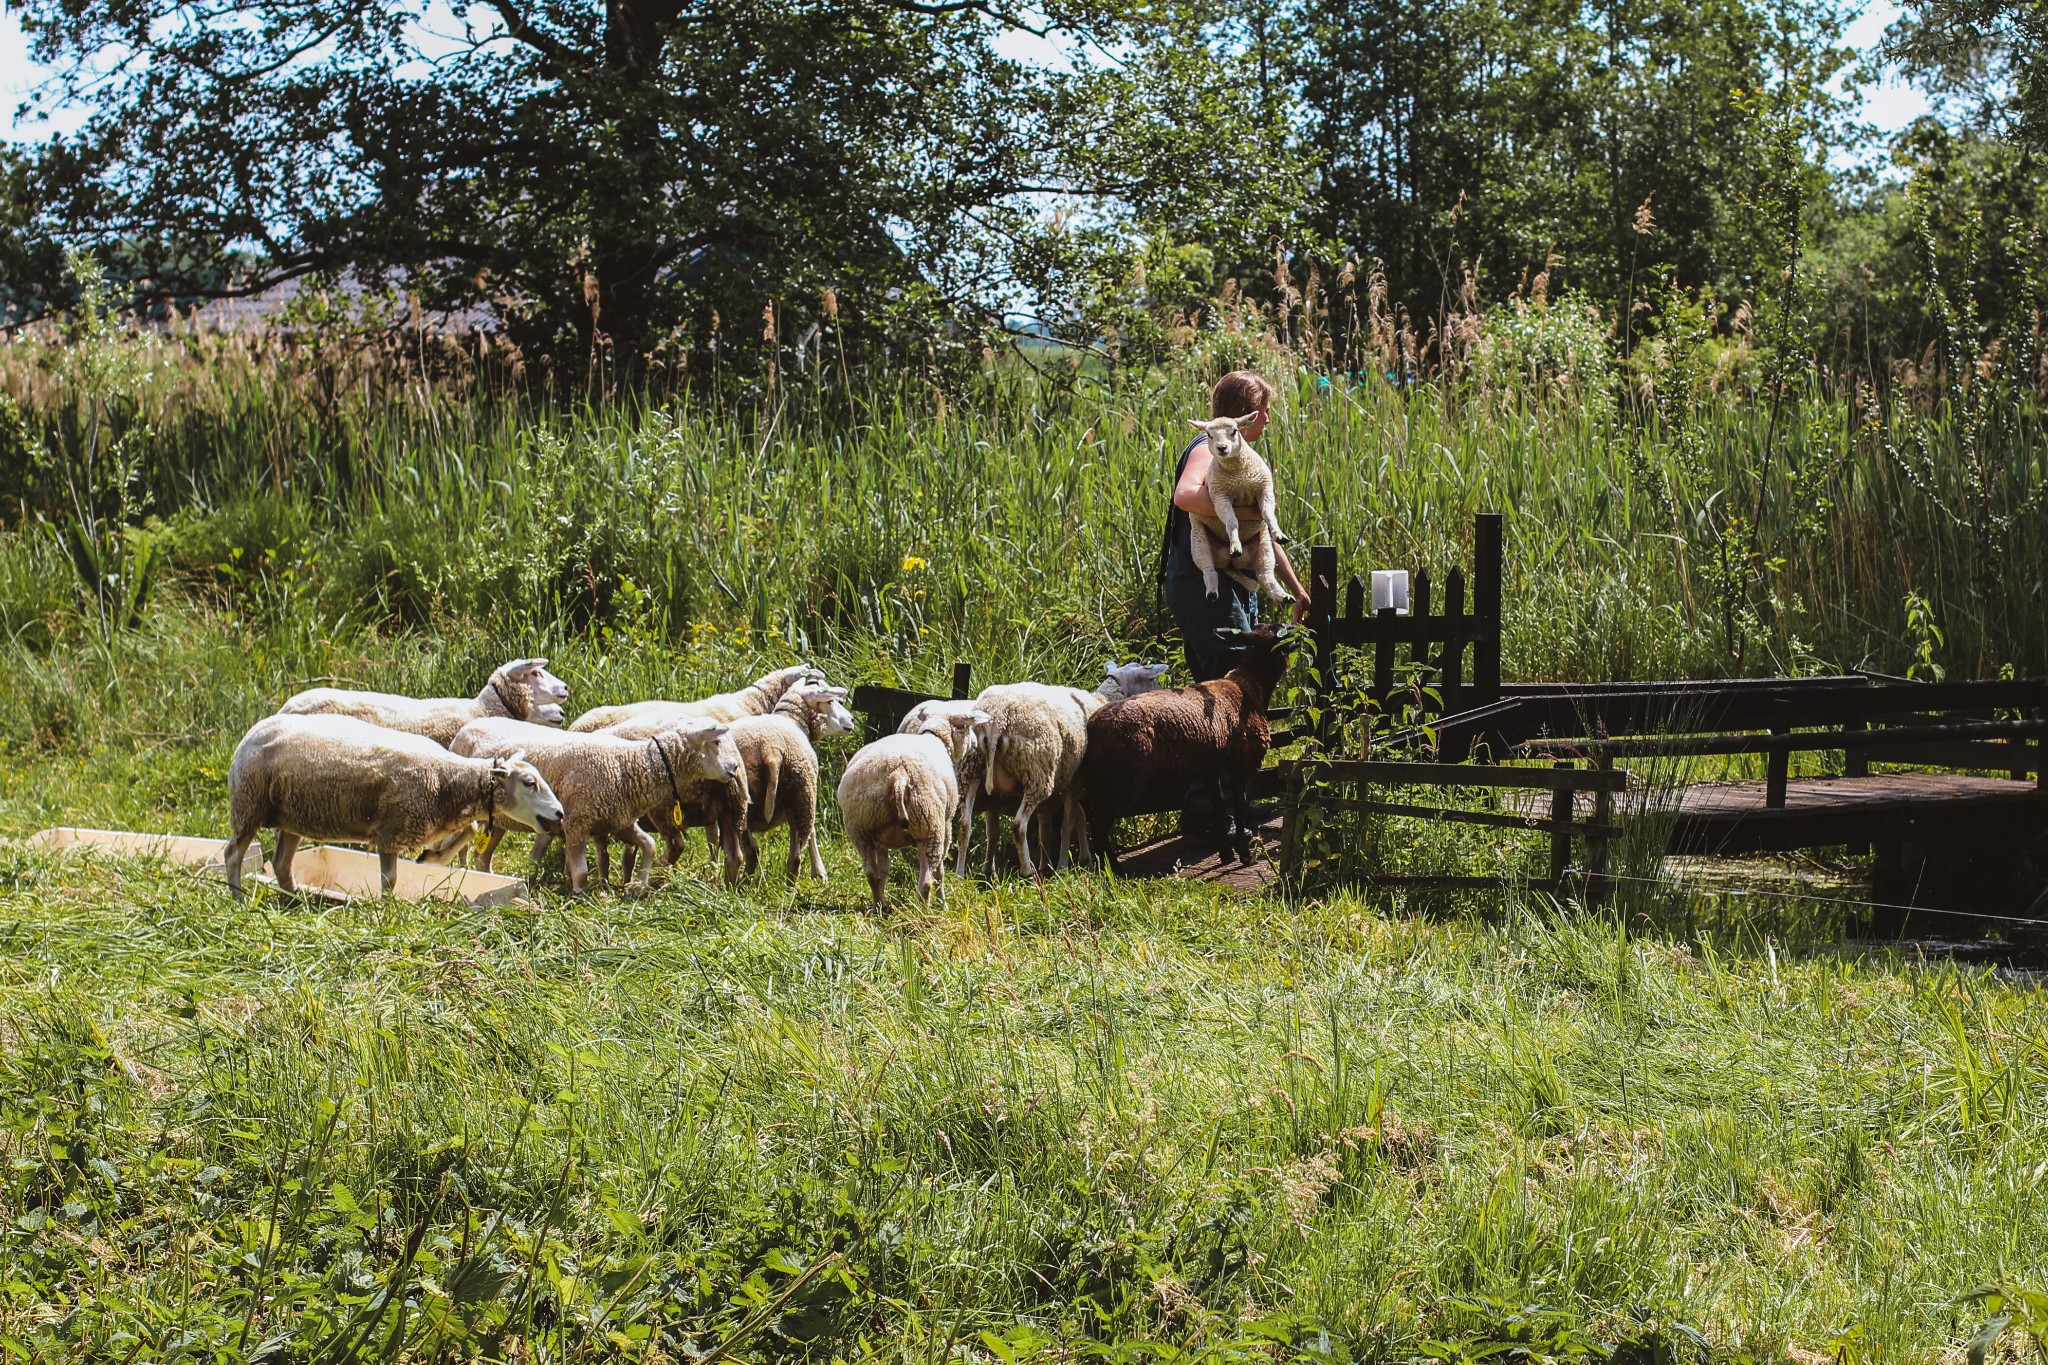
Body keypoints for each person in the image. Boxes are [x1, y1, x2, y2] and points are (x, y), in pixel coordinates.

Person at [1160, 370, 1308, 683]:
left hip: (1238, 578)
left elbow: (1260, 532)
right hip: (1202, 581)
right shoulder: (1206, 446)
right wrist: (1244, 511)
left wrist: (1297, 590)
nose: (1267, 419)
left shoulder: (1242, 459)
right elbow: (1184, 495)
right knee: (1234, 676)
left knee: (1234, 676)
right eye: (1263, 411)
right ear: (1246, 414)